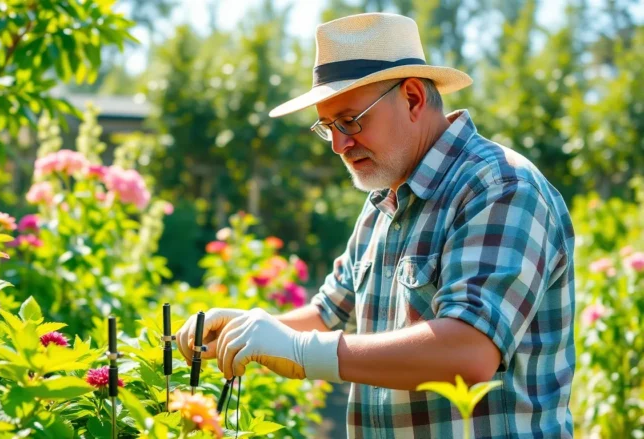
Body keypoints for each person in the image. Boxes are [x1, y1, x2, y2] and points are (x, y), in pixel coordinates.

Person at [177, 12, 575, 438]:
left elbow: (468, 351)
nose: (338, 145)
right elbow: (329, 314)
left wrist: (298, 349)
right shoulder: (383, 201)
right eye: (327, 126)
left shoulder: (498, 187)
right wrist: (249, 329)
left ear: (412, 98)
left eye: (350, 120)